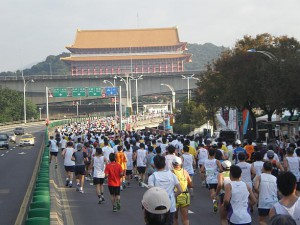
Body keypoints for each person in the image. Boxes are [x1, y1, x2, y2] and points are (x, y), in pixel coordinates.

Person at [148, 155, 183, 225]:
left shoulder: (153, 177)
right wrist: (173, 195)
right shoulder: (172, 175)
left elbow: (151, 193)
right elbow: (180, 190)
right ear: (165, 164)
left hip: (157, 206)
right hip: (171, 205)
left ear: (154, 165)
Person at [201, 148, 223, 212]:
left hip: (209, 180)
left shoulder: (205, 161)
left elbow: (202, 170)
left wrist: (207, 171)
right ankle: (218, 204)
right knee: (217, 193)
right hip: (217, 179)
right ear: (215, 154)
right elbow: (221, 170)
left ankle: (214, 203)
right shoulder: (217, 161)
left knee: (213, 193)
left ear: (208, 153)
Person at [172, 157, 193, 225]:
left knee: (174, 217)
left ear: (173, 164)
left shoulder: (171, 172)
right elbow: (190, 183)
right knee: (185, 217)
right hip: (184, 195)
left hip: (175, 196)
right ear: (181, 164)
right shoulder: (185, 171)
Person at [215, 160, 232, 225]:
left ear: (222, 166)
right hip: (233, 194)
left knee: (223, 218)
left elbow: (220, 185)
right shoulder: (234, 174)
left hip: (224, 194)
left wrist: (216, 193)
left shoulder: (221, 174)